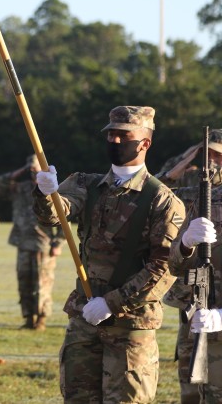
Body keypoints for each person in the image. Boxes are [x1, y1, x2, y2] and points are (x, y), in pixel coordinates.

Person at [34, 105, 185, 403]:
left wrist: (111, 303)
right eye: (111, 134)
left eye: (123, 135)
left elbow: (163, 268)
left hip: (130, 327)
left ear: (144, 143)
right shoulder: (86, 184)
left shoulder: (163, 202)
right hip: (84, 320)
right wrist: (45, 192)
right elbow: (55, 214)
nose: (115, 141)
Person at [157, 129, 222, 404]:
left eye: (218, 155)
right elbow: (154, 193)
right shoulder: (193, 187)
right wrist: (185, 243)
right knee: (191, 383)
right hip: (194, 301)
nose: (212, 161)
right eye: (208, 153)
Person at [0, 154, 64, 331]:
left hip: (44, 245)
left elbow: (64, 218)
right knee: (24, 282)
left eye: (35, 169)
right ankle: (28, 318)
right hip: (23, 242)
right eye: (30, 170)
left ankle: (41, 319)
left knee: (41, 285)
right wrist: (20, 173)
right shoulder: (20, 188)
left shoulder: (51, 191)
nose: (33, 173)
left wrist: (58, 243)